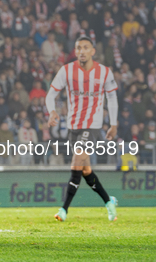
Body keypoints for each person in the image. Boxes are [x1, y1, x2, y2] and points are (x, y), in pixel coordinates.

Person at [46, 36, 119, 222]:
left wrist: (114, 124)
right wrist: (52, 111)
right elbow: (51, 94)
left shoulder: (104, 72)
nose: (82, 51)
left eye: (86, 47)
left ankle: (64, 209)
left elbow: (112, 98)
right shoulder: (67, 71)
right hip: (73, 128)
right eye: (79, 48)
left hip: (92, 127)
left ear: (93, 51)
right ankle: (109, 201)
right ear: (75, 51)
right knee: (85, 171)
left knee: (76, 162)